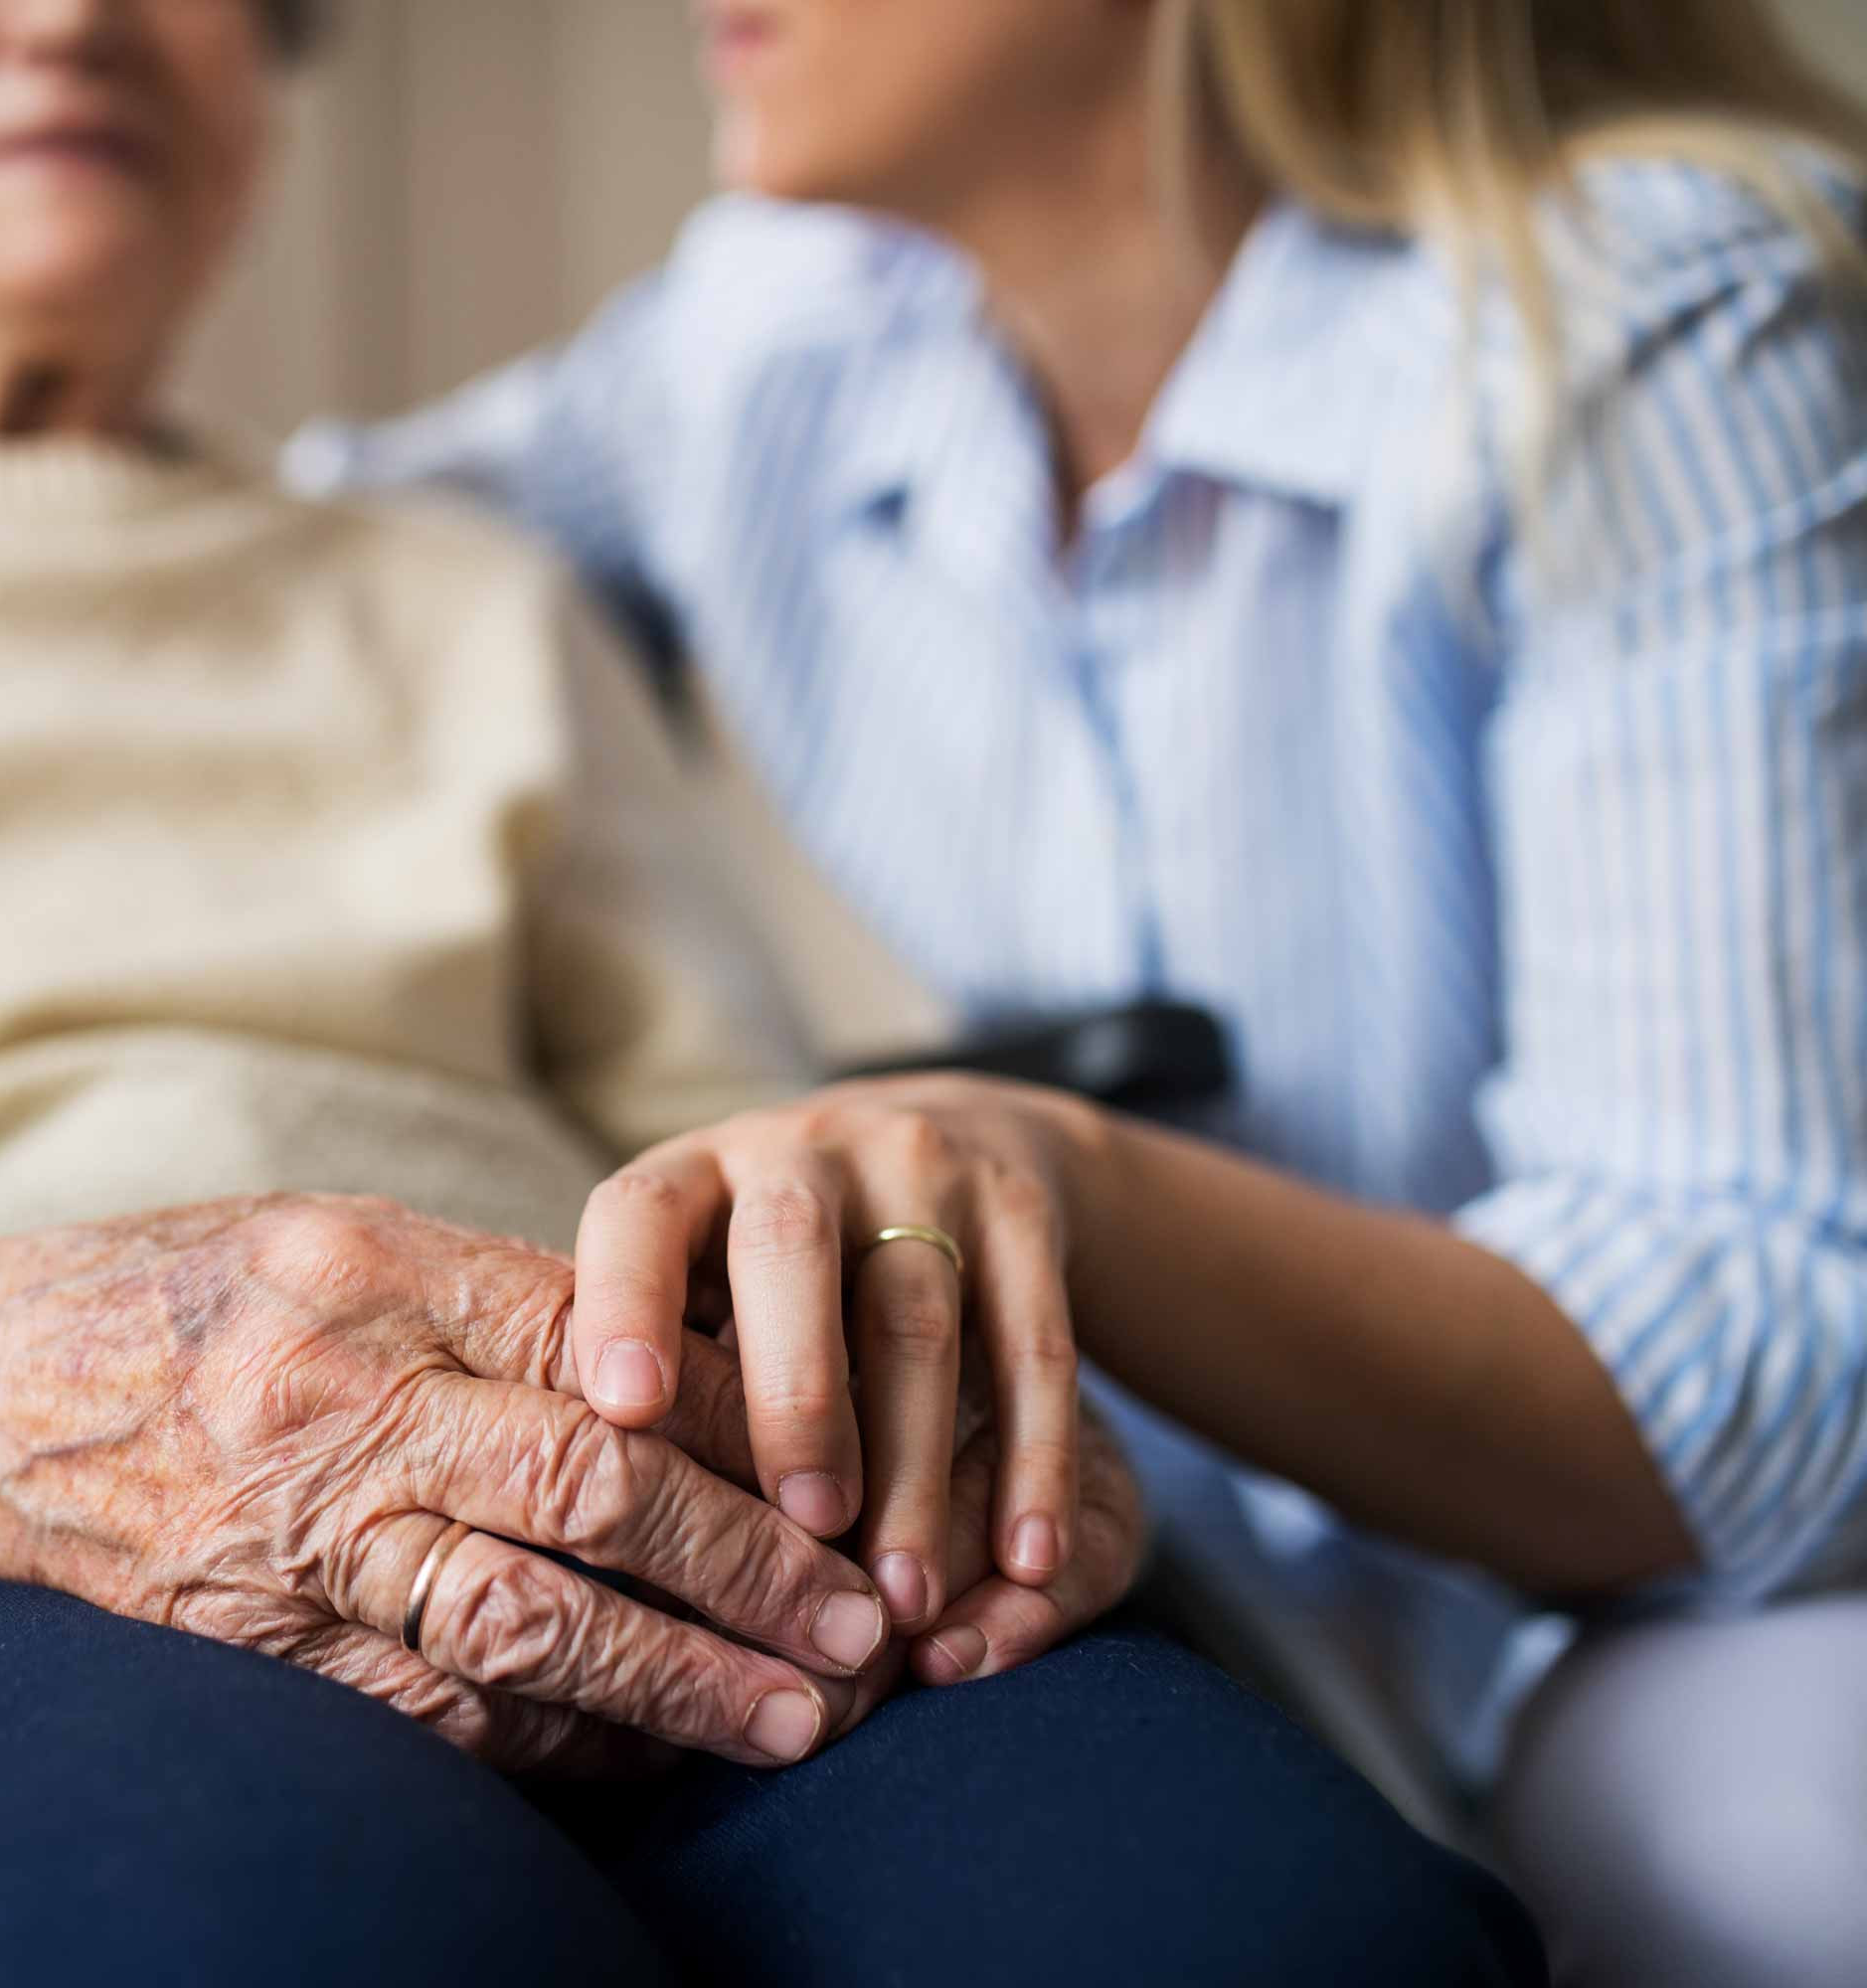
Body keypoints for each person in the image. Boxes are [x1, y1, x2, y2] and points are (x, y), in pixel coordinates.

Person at [0, 1, 1538, 1983]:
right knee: (267, 1925)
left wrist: (900, 1397)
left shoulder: (464, 594)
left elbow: (718, 1133)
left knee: (1271, 1924)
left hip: (592, 1497)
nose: (75, 14)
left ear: (254, 116)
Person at [281, 3, 1867, 1983]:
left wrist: (1064, 1182)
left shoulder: (1649, 310)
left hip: (1685, 1612)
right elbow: (278, 557)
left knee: (1772, 1853)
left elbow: (1784, 1370)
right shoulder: (779, 342)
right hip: (1180, 1582)